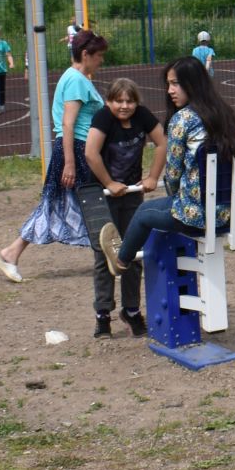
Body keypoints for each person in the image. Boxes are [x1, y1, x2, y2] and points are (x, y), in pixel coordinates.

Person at [109, 57, 235, 274]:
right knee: (154, 207)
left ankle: (121, 261)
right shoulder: (223, 113)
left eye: (175, 83)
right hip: (227, 211)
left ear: (192, 83)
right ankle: (123, 257)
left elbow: (173, 173)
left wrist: (175, 197)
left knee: (143, 213)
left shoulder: (182, 119)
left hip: (196, 216)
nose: (170, 90)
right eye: (168, 84)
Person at [0, 29, 109, 282]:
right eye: (99, 55)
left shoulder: (74, 77)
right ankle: (114, 257)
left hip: (75, 149)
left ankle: (11, 253)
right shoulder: (77, 80)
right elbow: (68, 123)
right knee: (90, 202)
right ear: (86, 54)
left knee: (65, 203)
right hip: (76, 150)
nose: (102, 60)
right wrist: (69, 162)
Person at [85, 77, 164, 338]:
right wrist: (109, 181)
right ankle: (103, 313)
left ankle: (131, 310)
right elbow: (91, 153)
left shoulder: (142, 115)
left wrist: (152, 177)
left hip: (131, 193)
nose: (125, 106)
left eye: (130, 101)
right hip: (104, 194)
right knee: (104, 253)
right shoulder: (103, 118)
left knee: (133, 251)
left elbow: (162, 142)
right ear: (109, 101)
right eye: (119, 100)